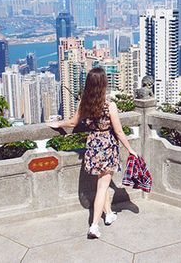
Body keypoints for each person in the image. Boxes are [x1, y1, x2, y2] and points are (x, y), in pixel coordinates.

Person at [46, 67, 138, 239]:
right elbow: (119, 132)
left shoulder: (85, 103)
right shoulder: (110, 105)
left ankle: (109, 214)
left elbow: (73, 123)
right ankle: (94, 226)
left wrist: (59, 124)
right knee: (102, 187)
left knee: (101, 182)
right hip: (108, 147)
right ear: (104, 83)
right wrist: (131, 149)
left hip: (93, 146)